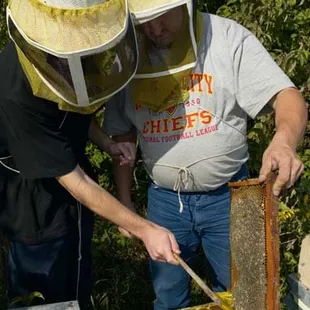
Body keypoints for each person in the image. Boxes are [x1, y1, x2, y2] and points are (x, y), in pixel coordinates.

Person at [103, 0, 308, 309]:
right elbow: (122, 135)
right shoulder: (130, 55)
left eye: (160, 18)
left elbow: (287, 96)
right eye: (142, 22)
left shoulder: (226, 37)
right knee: (168, 296)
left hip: (232, 195)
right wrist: (125, 202)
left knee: (246, 295)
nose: (153, 30)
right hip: (165, 201)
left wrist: (284, 141)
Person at [0, 0, 181, 308]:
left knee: (77, 279)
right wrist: (144, 229)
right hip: (34, 204)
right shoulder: (14, 91)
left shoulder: (65, 52)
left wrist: (107, 143)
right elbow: (76, 181)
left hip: (68, 190)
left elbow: (73, 107)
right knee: (43, 294)